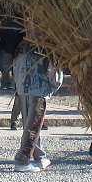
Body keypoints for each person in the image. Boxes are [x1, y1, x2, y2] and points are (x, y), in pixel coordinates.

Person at [13, 37, 59, 171]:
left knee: (29, 124)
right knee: (33, 126)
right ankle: (22, 160)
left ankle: (40, 157)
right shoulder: (46, 46)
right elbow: (55, 74)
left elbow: (15, 68)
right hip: (38, 90)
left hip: (23, 90)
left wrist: (19, 87)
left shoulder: (21, 45)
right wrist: (51, 88)